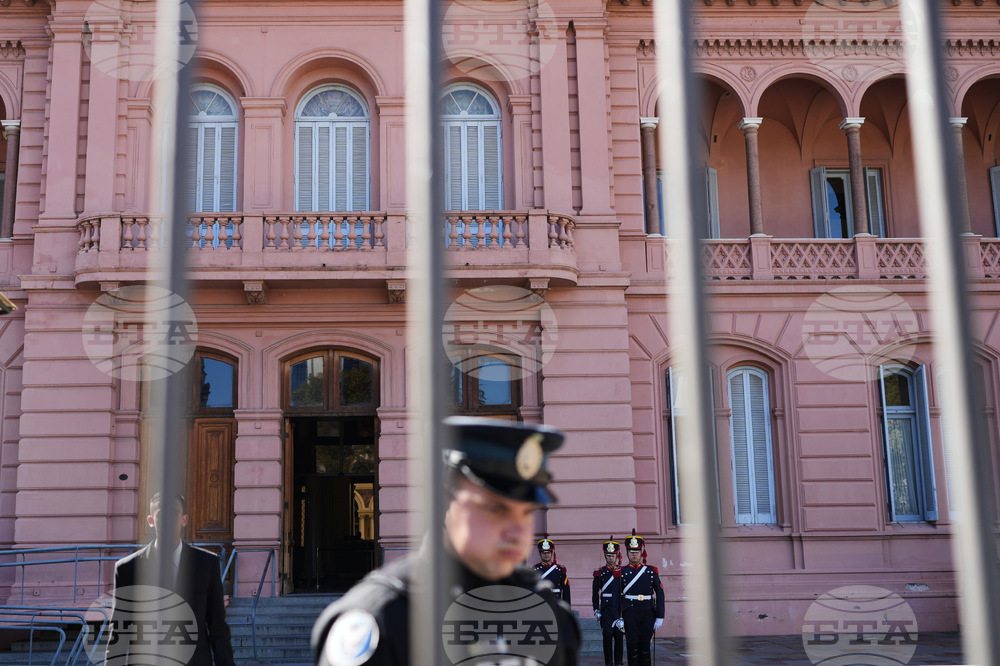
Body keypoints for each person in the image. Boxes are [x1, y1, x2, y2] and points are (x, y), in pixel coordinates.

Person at [312, 417, 580, 666]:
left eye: (526, 513)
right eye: (496, 509)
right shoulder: (383, 619)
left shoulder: (542, 609)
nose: (518, 532)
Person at [106, 493, 234, 666]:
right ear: (150, 520)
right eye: (162, 515)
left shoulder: (207, 564)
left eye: (174, 514)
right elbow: (119, 634)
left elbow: (218, 627)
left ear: (184, 519)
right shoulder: (128, 569)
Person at [617, 531, 664, 666]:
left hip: (648, 612)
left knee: (645, 647)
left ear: (642, 552)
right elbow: (616, 597)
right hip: (630, 613)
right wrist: (617, 617)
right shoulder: (621, 572)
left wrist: (660, 616)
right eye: (631, 551)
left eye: (637, 550)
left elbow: (660, 593)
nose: (634, 553)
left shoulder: (650, 571)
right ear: (626, 553)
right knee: (633, 647)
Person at [592, 537, 623, 666]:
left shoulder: (622, 572)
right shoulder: (600, 572)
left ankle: (619, 662)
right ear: (605, 555)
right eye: (609, 555)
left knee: (619, 635)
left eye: (613, 555)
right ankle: (609, 662)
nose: (611, 558)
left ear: (617, 556)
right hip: (606, 608)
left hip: (619, 607)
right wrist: (596, 609)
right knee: (607, 635)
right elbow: (595, 593)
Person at [533, 535, 571, 604]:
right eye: (544, 553)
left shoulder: (560, 570)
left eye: (548, 552)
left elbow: (566, 592)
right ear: (540, 554)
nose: (546, 555)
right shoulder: (535, 570)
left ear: (552, 553)